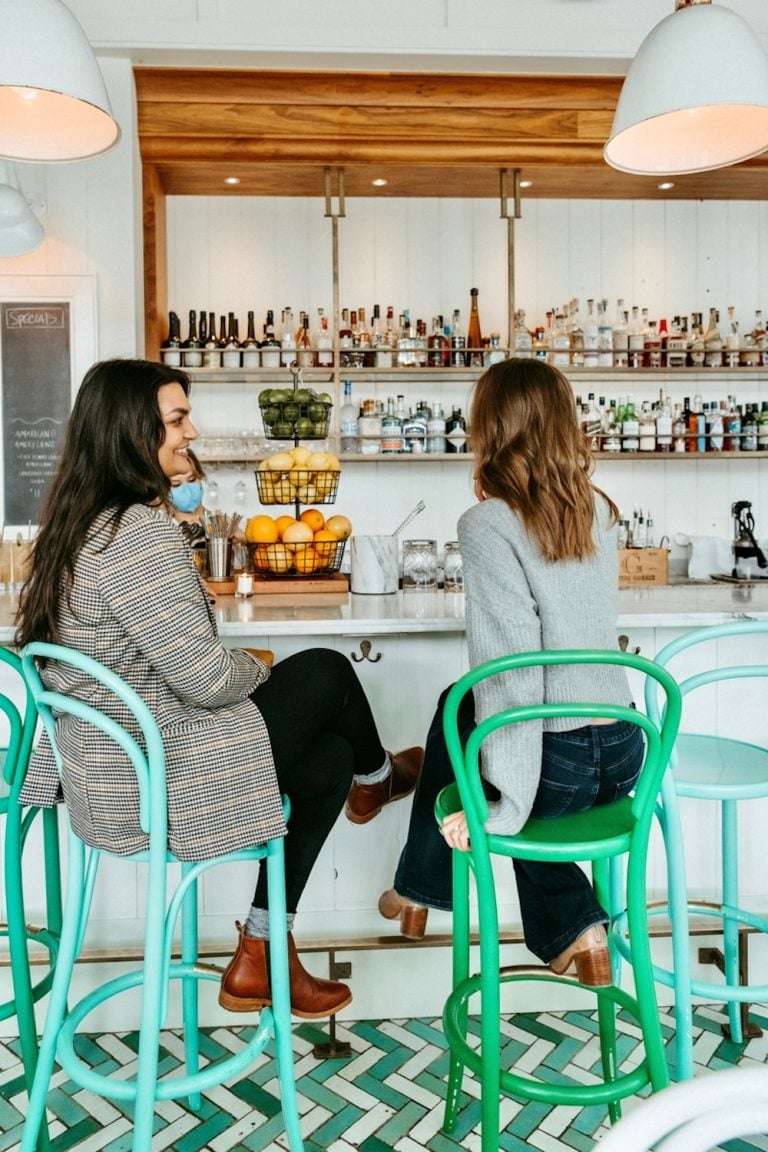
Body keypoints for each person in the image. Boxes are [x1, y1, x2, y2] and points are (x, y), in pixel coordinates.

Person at [15, 358, 423, 1018]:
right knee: (324, 670)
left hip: (111, 773)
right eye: (177, 420)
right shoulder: (134, 532)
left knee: (327, 761)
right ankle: (379, 781)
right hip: (157, 774)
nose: (191, 432)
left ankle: (260, 952)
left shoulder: (79, 524)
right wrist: (260, 666)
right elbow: (205, 680)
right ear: (131, 431)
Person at [378, 358, 644, 986]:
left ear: (489, 428)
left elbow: (510, 672)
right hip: (627, 749)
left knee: (494, 743)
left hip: (561, 764)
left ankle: (569, 922)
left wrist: (504, 806)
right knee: (456, 704)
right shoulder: (599, 510)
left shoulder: (487, 523)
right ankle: (416, 889)